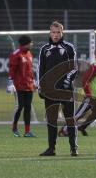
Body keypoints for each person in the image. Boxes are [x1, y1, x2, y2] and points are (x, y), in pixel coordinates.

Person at [38, 21, 78, 156]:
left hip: (66, 90)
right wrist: (41, 86)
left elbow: (74, 68)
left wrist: (67, 80)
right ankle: (51, 149)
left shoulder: (69, 48)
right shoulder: (44, 49)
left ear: (62, 33)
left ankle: (73, 148)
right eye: (53, 32)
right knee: (51, 120)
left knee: (69, 119)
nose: (55, 35)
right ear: (50, 32)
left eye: (58, 32)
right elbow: (41, 70)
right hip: (50, 91)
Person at [58, 47, 96, 137]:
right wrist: (88, 93)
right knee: (79, 114)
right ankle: (63, 131)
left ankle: (81, 128)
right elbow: (85, 80)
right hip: (91, 95)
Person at [7, 35, 36, 138]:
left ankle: (27, 131)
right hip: (18, 86)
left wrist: (34, 81)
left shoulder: (29, 54)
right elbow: (12, 69)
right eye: (31, 43)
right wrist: (10, 82)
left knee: (28, 107)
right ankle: (14, 128)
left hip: (29, 85)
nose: (32, 44)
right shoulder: (16, 54)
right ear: (26, 44)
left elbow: (30, 70)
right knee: (20, 107)